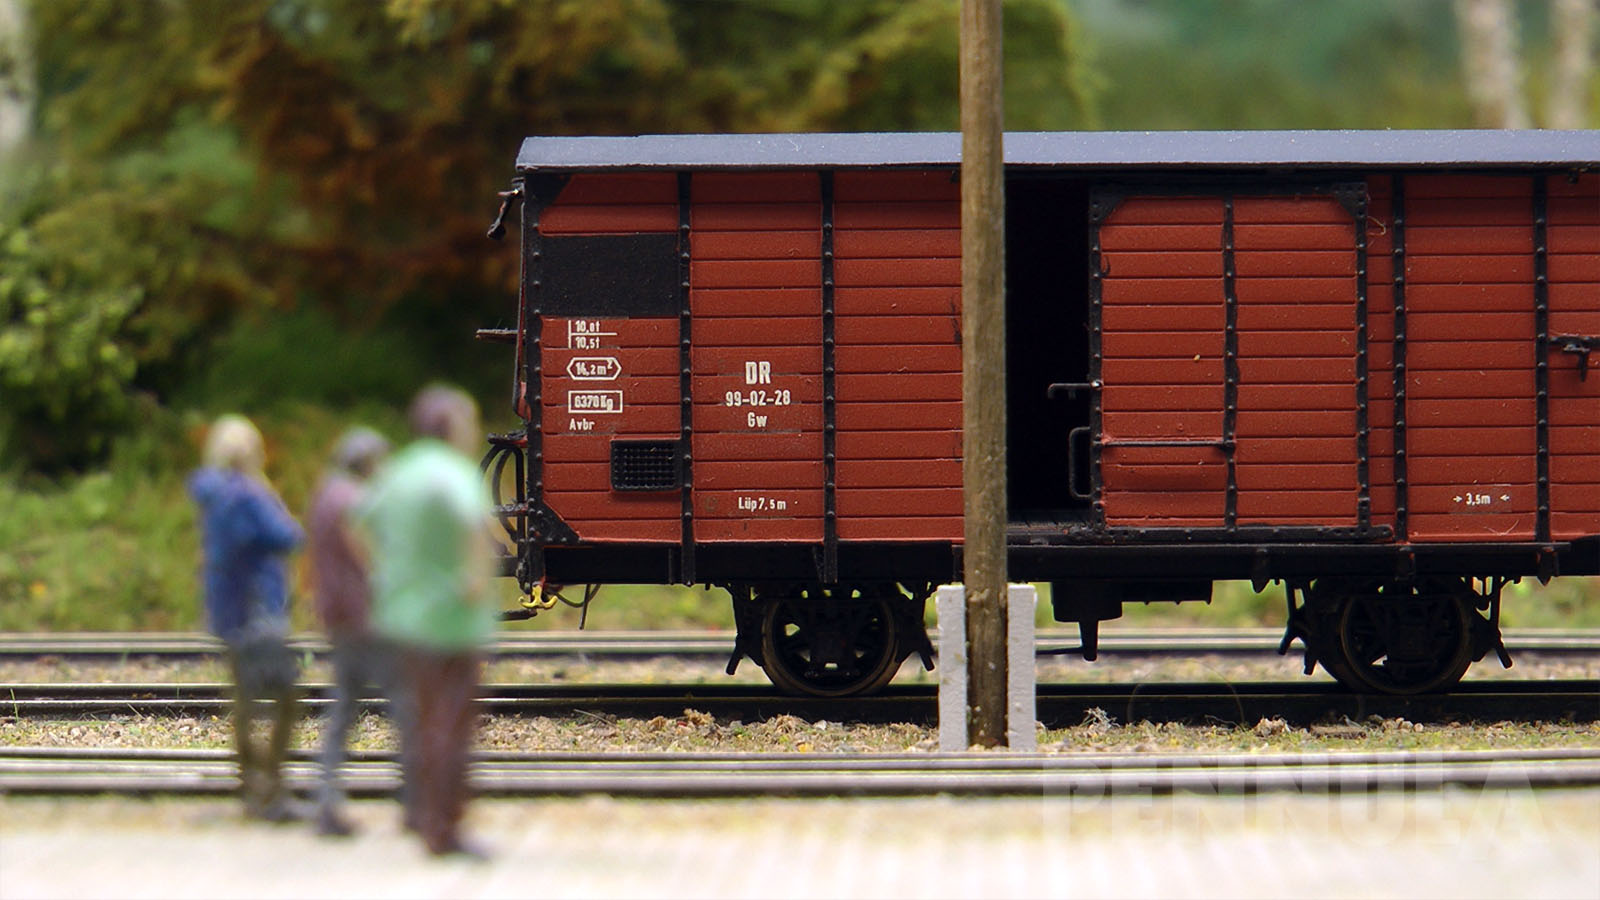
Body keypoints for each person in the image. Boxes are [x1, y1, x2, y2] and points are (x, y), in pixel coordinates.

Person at [360, 386, 496, 857]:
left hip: (402, 618)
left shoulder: (399, 471)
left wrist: (388, 573)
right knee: (451, 726)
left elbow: (363, 521)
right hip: (451, 621)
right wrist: (475, 582)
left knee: (417, 721)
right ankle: (446, 830)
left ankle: (418, 815)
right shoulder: (454, 473)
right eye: (470, 422)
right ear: (453, 427)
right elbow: (475, 528)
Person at [188, 414, 305, 822]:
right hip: (257, 610)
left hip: (229, 610)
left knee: (244, 698)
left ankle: (251, 784)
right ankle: (267, 784)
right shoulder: (247, 494)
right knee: (286, 698)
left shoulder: (213, 493)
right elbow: (288, 536)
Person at [305, 426, 394, 837]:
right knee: (405, 707)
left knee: (343, 711)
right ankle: (420, 802)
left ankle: (326, 802)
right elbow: (365, 558)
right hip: (364, 617)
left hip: (339, 616)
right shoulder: (352, 500)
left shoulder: (326, 494)